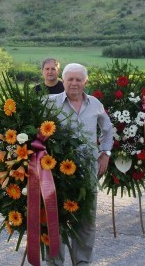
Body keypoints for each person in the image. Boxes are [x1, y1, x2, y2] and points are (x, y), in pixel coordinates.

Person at [46, 63, 113, 265]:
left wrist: (105, 153)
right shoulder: (49, 103)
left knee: (86, 221)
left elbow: (108, 130)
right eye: (70, 79)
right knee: (55, 220)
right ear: (63, 81)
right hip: (56, 174)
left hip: (87, 173)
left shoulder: (95, 104)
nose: (74, 83)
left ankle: (82, 261)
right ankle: (55, 262)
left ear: (85, 82)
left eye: (78, 79)